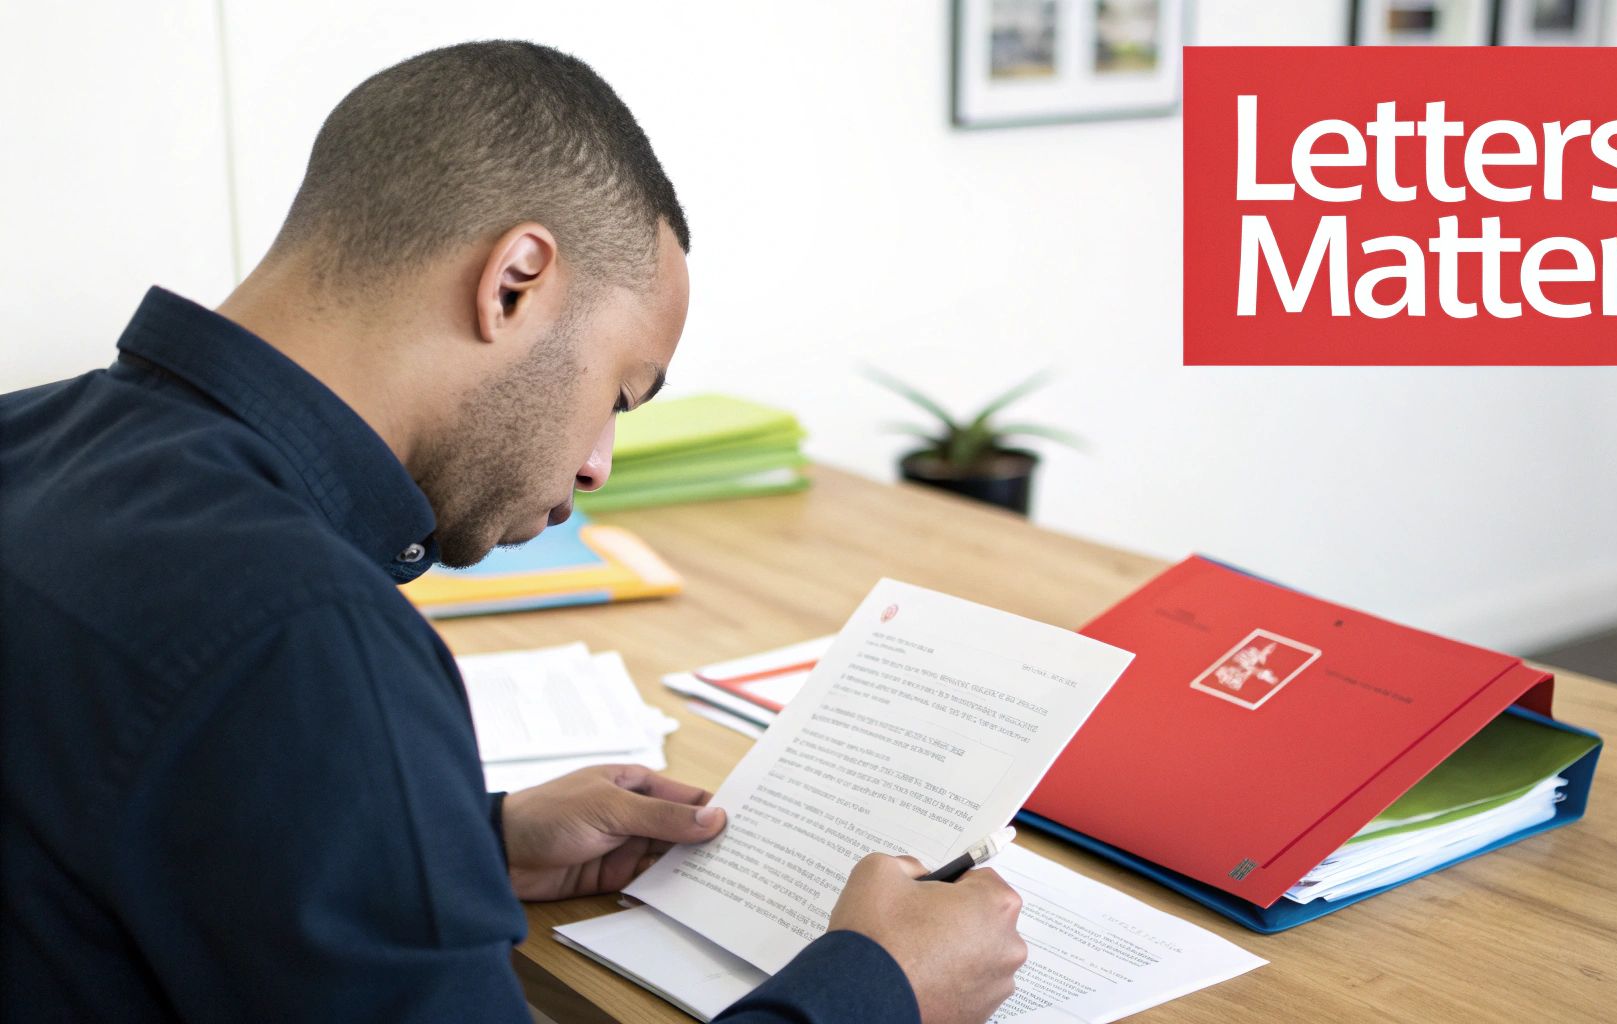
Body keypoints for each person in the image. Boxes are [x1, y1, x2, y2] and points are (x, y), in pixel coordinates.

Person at [0, 41, 1025, 1024]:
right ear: (514, 283)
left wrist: (455, 844)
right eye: (618, 394)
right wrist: (879, 989)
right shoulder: (306, 637)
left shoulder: (24, 439)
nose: (597, 464)